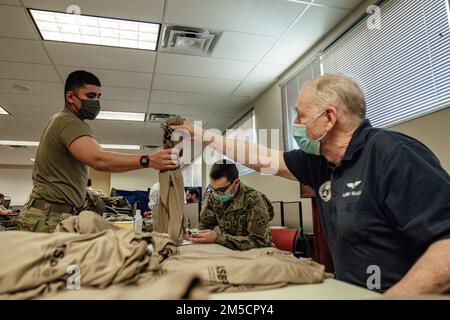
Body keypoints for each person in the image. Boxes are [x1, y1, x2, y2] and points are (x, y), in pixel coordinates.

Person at [174, 74, 450, 296]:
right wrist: (201, 135)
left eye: (300, 116)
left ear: (329, 118)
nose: (295, 124)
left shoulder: (394, 154)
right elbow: (261, 158)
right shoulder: (321, 163)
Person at [17, 70, 179, 233]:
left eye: (98, 97)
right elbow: (98, 159)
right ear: (70, 97)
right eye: (90, 95)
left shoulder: (61, 120)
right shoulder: (68, 122)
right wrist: (148, 160)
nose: (95, 102)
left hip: (48, 214)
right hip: (48, 217)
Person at [189, 160, 274, 250]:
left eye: (221, 190)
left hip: (258, 254)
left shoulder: (254, 200)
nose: (217, 194)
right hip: (229, 252)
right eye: (213, 189)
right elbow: (204, 225)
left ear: (236, 183)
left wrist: (218, 238)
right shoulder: (214, 197)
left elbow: (259, 242)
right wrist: (194, 234)